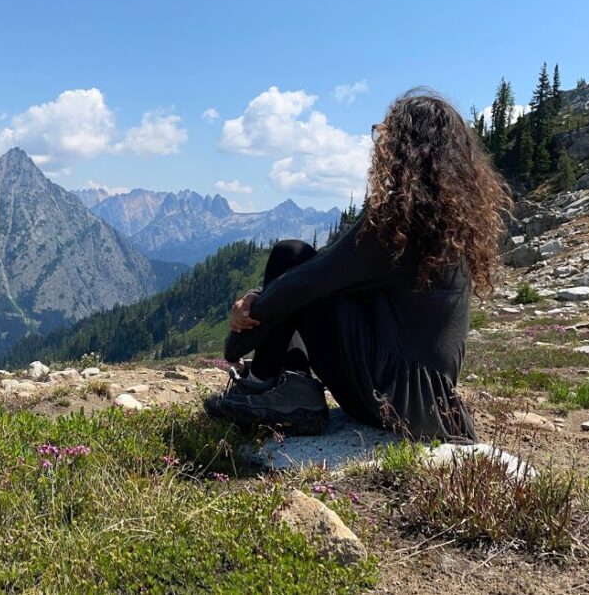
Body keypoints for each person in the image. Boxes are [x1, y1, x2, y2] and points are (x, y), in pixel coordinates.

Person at [204, 89, 512, 443]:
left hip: (392, 400)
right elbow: (335, 273)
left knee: (291, 255)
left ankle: (265, 387)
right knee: (303, 274)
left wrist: (235, 341)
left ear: (402, 149)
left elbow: (309, 279)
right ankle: (292, 388)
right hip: (427, 400)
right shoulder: (450, 223)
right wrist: (260, 296)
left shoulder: (399, 224)